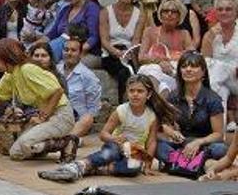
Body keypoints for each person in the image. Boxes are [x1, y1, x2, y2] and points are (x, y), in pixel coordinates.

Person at [38, 74, 180, 183]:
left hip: (135, 150)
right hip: (117, 145)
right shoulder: (121, 111)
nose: (135, 94)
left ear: (148, 95)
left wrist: (148, 164)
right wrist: (114, 138)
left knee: (134, 168)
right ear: (127, 92)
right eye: (132, 91)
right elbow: (103, 134)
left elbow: (151, 142)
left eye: (140, 91)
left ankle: (95, 170)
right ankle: (79, 166)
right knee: (108, 155)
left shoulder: (151, 116)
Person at [0, 39, 76, 161]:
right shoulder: (10, 74)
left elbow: (58, 91)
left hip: (61, 116)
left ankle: (66, 142)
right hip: (46, 116)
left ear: (5, 57)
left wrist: (43, 117)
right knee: (15, 153)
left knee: (25, 144)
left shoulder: (27, 69)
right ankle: (44, 145)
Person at [155, 51, 228, 171]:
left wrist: (198, 142)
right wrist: (171, 132)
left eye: (193, 66)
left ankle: (179, 163)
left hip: (204, 145)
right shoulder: (173, 96)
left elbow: (219, 135)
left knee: (220, 149)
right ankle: (196, 165)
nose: (188, 69)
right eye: (184, 66)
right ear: (180, 71)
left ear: (203, 72)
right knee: (156, 144)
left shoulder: (213, 99)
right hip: (181, 144)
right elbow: (164, 124)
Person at [99, 0, 146, 101]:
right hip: (110, 52)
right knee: (125, 72)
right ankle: (124, 105)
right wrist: (116, 53)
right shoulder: (105, 12)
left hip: (129, 52)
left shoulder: (140, 14)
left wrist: (128, 53)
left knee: (126, 71)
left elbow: (136, 39)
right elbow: (104, 40)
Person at [137, 0, 194, 96]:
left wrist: (172, 63)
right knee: (154, 71)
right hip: (150, 72)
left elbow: (192, 56)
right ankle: (154, 102)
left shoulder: (184, 34)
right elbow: (141, 57)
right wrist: (159, 62)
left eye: (174, 11)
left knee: (164, 86)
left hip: (172, 74)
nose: (169, 14)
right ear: (160, 14)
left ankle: (151, 103)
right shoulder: (150, 31)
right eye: (166, 11)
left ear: (179, 16)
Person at [41, 0, 101, 65]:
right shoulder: (65, 9)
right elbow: (52, 33)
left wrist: (78, 53)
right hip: (62, 49)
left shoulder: (91, 8)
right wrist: (36, 44)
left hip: (84, 51)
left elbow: (94, 37)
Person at [201, 0, 238, 132]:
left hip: (236, 77)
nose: (224, 12)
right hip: (219, 80)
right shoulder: (210, 34)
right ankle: (219, 134)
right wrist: (210, 38)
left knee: (217, 71)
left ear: (236, 12)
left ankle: (203, 104)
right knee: (220, 90)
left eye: (228, 9)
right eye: (220, 9)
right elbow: (205, 62)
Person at [58, 37, 102, 143]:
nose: (69, 53)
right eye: (66, 50)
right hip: (56, 116)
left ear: (80, 54)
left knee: (88, 119)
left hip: (76, 121)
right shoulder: (56, 70)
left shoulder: (88, 76)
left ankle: (64, 140)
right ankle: (67, 141)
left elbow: (93, 108)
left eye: (73, 50)